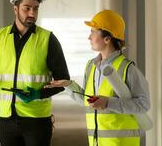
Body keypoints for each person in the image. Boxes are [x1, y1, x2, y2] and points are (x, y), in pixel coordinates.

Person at [0, 0, 70, 146]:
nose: (32, 13)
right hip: (7, 120)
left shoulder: (48, 39)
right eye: (27, 8)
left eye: (36, 8)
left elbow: (63, 80)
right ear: (15, 8)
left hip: (37, 121)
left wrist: (38, 94)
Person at [45, 9, 150, 146]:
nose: (89, 37)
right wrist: (69, 85)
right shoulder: (91, 66)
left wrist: (108, 103)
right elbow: (88, 101)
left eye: (93, 32)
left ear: (107, 39)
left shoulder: (127, 68)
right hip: (96, 142)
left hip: (120, 142)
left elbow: (143, 105)